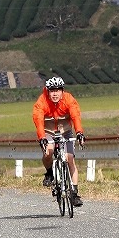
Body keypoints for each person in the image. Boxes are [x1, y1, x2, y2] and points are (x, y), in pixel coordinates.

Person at [33, 76, 86, 208]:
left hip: (65, 131)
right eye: (52, 91)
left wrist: (79, 132)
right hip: (48, 131)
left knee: (69, 159)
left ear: (62, 91)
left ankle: (74, 194)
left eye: (58, 90)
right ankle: (50, 172)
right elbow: (38, 119)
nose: (55, 93)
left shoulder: (68, 99)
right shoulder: (42, 101)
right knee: (48, 152)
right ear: (47, 91)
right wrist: (41, 137)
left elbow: (75, 115)